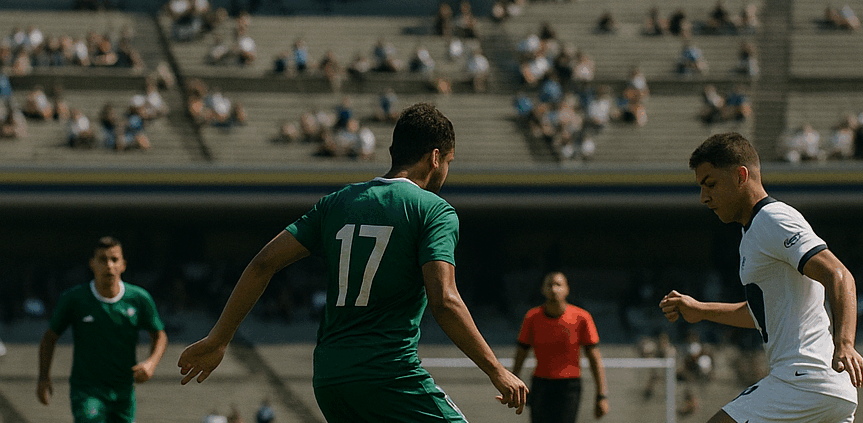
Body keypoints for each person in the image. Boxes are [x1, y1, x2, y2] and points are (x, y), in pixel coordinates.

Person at [178, 103, 528, 422]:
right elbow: (445, 300)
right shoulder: (433, 211)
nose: (447, 171)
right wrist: (496, 369)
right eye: (450, 161)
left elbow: (262, 263)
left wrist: (218, 339)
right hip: (388, 373)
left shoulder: (337, 202)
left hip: (330, 378)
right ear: (435, 157)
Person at [659, 132, 863, 423]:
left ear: (740, 176)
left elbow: (839, 274)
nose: (704, 197)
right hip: (826, 386)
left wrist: (844, 343)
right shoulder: (753, 233)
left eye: (710, 184)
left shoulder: (773, 219)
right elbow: (766, 313)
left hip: (804, 381)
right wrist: (701, 310)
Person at [38, 236, 168, 423]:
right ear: (92, 264)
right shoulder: (74, 299)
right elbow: (49, 338)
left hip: (123, 391)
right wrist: (44, 378)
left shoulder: (139, 299)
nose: (109, 265)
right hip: (87, 391)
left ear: (123, 264)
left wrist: (151, 364)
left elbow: (159, 335)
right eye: (102, 259)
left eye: (114, 259)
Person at [512, 272, 609, 423]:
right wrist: (512, 384)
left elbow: (594, 358)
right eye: (549, 285)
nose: (554, 289)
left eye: (558, 285)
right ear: (543, 289)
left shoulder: (582, 317)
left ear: (567, 289)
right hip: (541, 385)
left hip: (569, 386)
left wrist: (601, 395)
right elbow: (521, 353)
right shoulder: (532, 317)